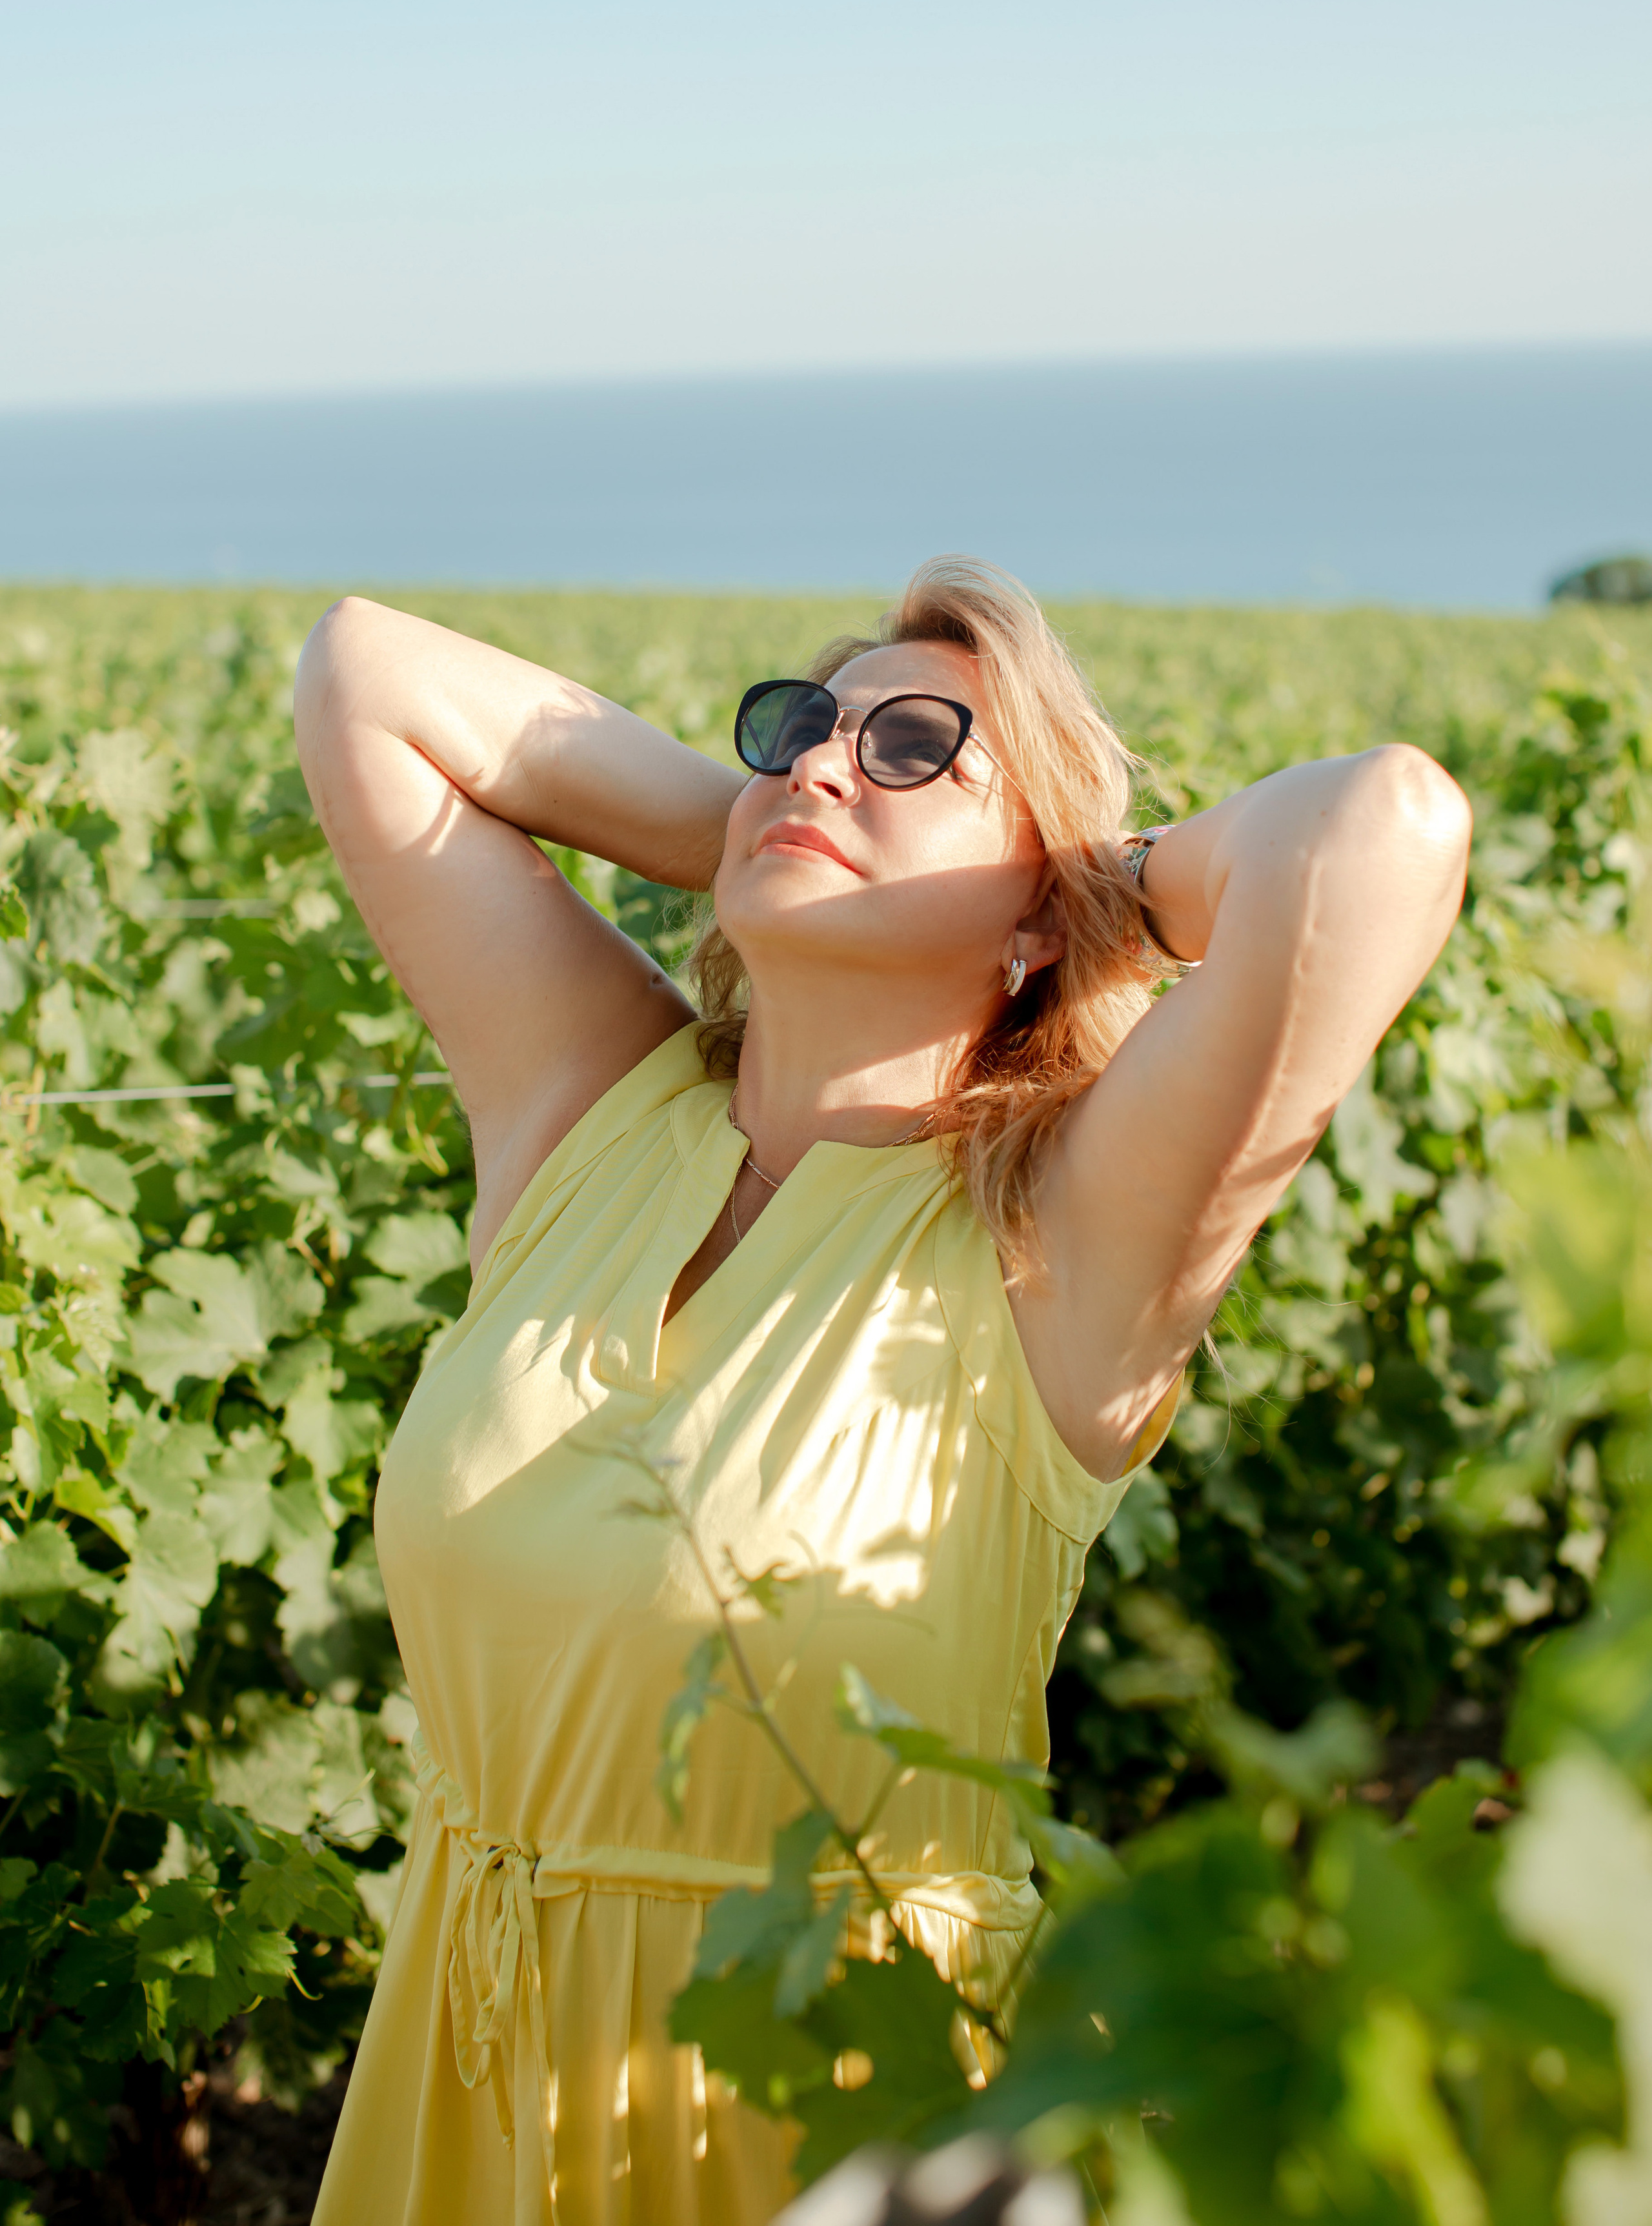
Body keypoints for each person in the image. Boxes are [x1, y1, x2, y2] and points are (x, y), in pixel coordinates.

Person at [295, 558, 1471, 2226]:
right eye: (798, 729)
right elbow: (365, 680)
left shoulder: (1063, 1236)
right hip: (462, 2093)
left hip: (829, 2125)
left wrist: (1082, 881)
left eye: (920, 749)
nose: (823, 763)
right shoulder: (588, 1106)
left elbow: (1391, 836)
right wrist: (775, 832)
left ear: (1038, 918)